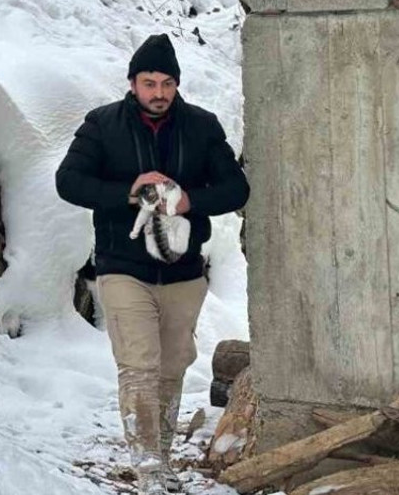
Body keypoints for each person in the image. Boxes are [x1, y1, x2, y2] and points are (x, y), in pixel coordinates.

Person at [55, 34, 249, 493]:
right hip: (123, 266)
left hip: (183, 271)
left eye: (166, 83)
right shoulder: (103, 125)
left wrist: (188, 201)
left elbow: (236, 190)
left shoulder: (202, 127)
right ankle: (147, 468)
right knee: (139, 364)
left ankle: (160, 456)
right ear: (132, 83)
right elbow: (69, 181)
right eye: (149, 83)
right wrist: (128, 190)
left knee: (171, 365)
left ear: (177, 85)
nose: (158, 92)